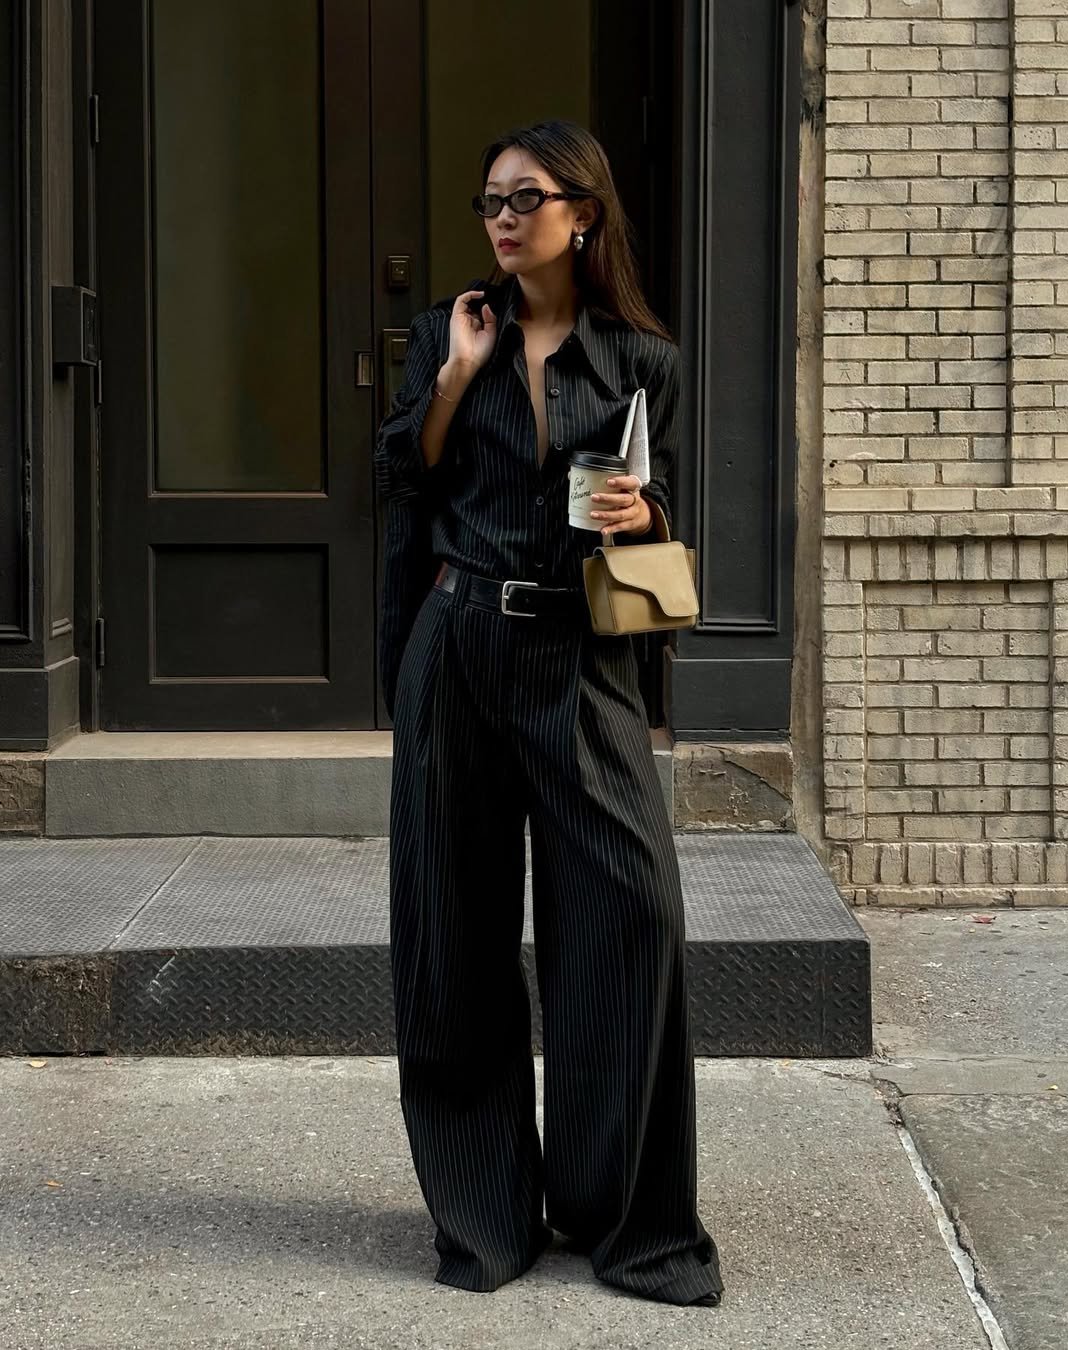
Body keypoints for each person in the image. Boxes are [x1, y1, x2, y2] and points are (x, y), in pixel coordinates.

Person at [374, 118, 723, 1309]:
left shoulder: (643, 360)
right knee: (452, 938)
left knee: (631, 921)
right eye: (489, 201)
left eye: (527, 197)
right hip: (459, 647)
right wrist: (459, 374)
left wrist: (645, 518)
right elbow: (402, 477)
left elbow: (656, 509)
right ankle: (482, 1217)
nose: (504, 217)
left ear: (585, 213)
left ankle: (623, 1215)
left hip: (578, 664)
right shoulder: (444, 335)